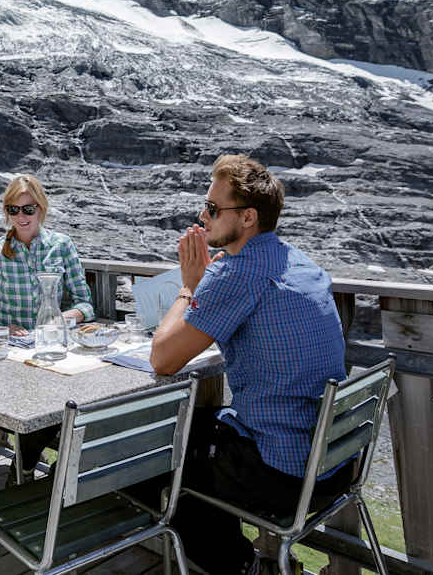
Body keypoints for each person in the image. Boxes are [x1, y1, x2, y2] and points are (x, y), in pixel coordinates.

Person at [143, 154, 349, 575]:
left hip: (283, 475)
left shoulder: (238, 272)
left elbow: (162, 359)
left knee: (154, 455)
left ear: (248, 217)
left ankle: (238, 566)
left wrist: (190, 286)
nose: (203, 217)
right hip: (334, 463)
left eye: (213, 208)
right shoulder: (299, 262)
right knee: (199, 435)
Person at [0, 174, 94, 475]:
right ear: (6, 211)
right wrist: (3, 331)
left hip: (53, 354)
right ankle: (27, 471)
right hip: (13, 359)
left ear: (41, 208)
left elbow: (85, 304)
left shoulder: (61, 245)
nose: (21, 217)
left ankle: (30, 469)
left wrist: (60, 319)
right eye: (13, 210)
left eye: (28, 209)